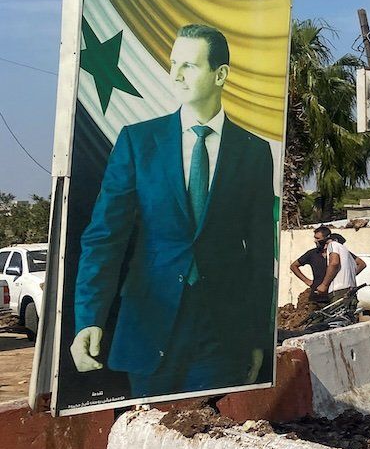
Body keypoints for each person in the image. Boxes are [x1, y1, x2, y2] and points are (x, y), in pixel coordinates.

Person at [70, 24, 276, 398]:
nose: (176, 75)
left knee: (209, 438)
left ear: (221, 74)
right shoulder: (138, 142)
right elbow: (104, 238)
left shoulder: (253, 151)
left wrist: (258, 335)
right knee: (149, 439)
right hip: (149, 326)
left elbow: (261, 254)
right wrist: (89, 318)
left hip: (221, 334)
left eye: (189, 66)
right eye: (173, 64)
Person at [313, 226, 366, 304]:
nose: (315, 241)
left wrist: (324, 285)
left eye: (317, 238)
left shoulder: (332, 245)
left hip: (339, 292)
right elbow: (361, 264)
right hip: (350, 290)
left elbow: (334, 263)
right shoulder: (346, 252)